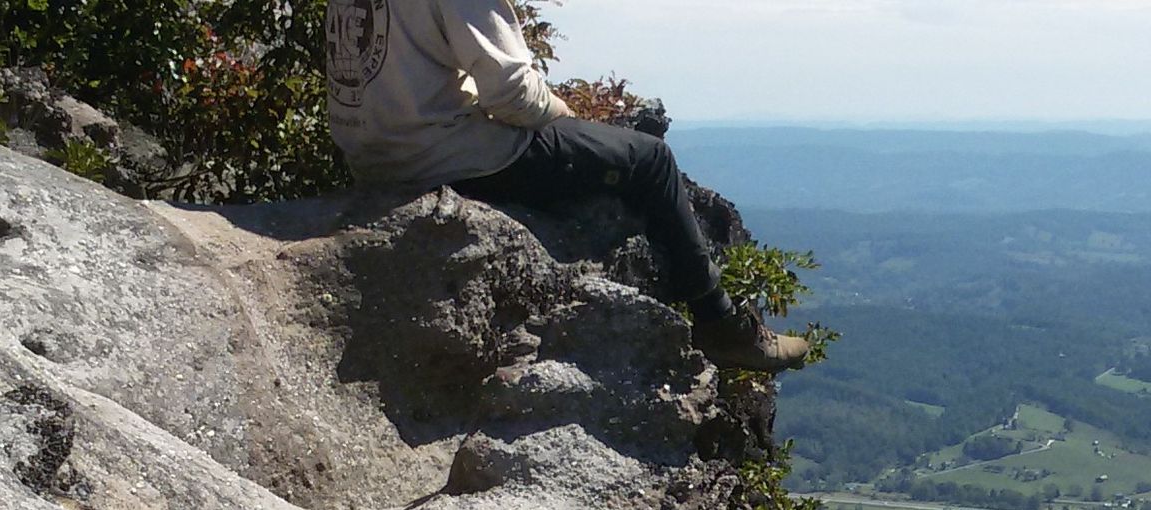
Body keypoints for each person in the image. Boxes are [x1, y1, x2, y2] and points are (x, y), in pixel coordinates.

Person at [322, 0, 808, 372]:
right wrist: (571, 122)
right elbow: (513, 93)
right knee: (651, 160)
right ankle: (720, 323)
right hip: (451, 159)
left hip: (374, 160)